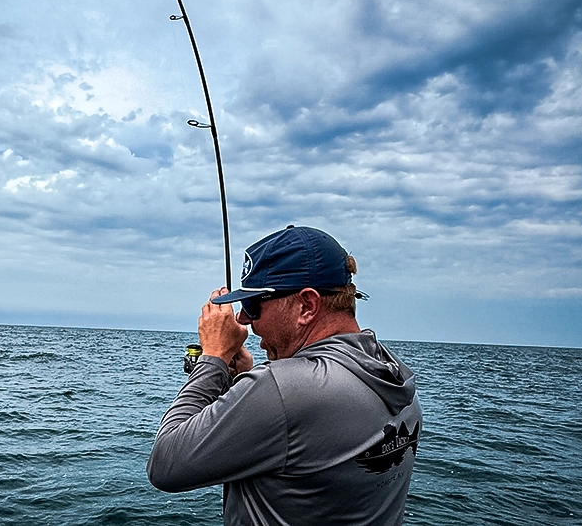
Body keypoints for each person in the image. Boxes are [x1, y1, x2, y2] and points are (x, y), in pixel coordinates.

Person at [147, 225, 422, 526]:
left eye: (253, 304)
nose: (242, 318)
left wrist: (213, 359)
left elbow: (165, 466)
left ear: (307, 306)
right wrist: (246, 381)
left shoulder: (282, 390)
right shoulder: (391, 372)